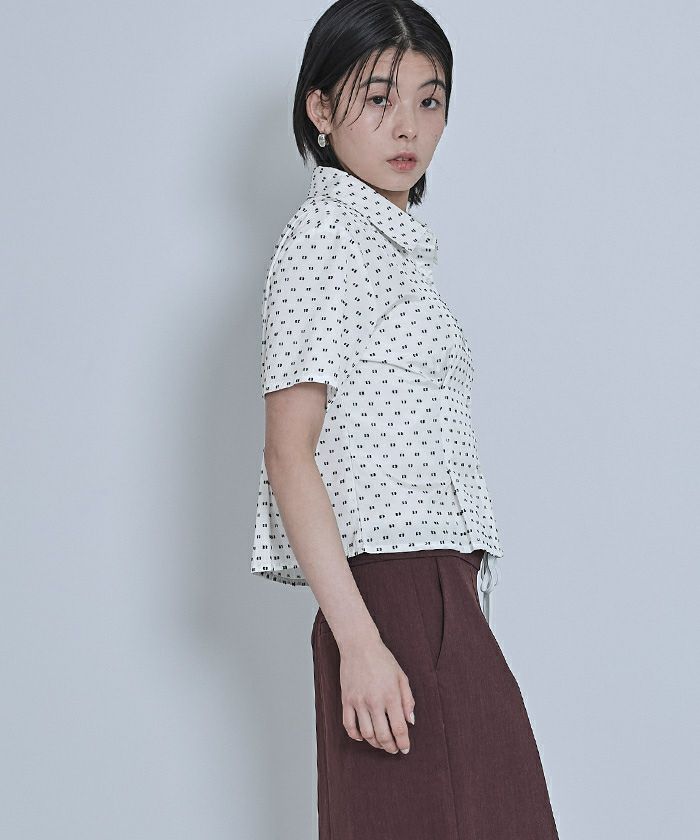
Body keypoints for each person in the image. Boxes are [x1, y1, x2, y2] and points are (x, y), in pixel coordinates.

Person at [250, 1, 560, 837]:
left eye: (430, 100)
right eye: (378, 97)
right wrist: (361, 640)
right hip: (390, 597)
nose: (408, 126)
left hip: (437, 591)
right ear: (321, 108)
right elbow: (289, 454)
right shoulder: (325, 241)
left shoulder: (389, 247)